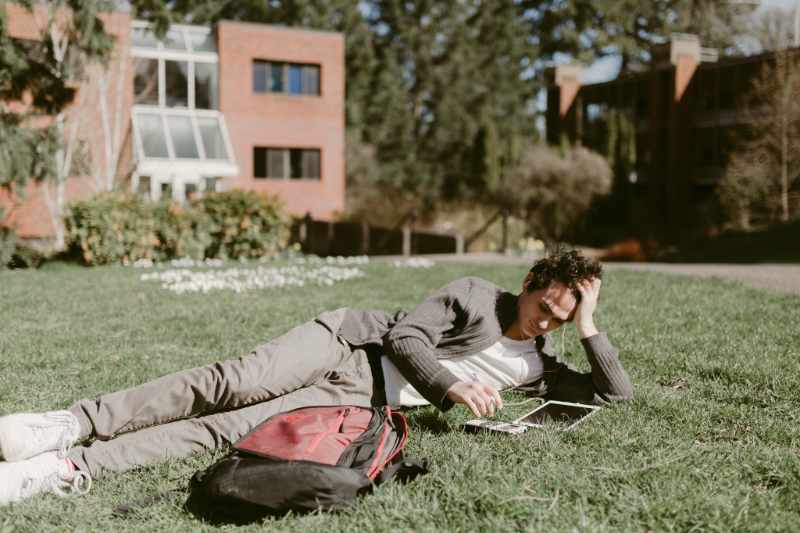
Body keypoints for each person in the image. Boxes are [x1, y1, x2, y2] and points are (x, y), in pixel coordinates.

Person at [0, 250, 633, 507]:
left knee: (228, 429)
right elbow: (406, 336)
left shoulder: (539, 366)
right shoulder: (476, 295)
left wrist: (589, 323)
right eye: (546, 302)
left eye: (562, 311)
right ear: (529, 284)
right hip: (342, 340)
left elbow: (615, 394)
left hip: (357, 395)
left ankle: (68, 468)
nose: (547, 315)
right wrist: (451, 387)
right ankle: (70, 424)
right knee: (229, 383)